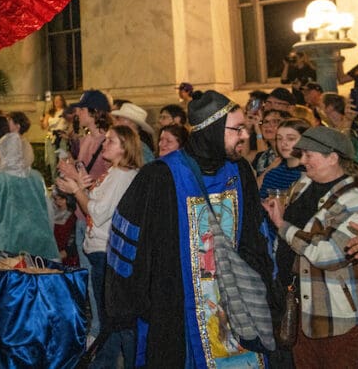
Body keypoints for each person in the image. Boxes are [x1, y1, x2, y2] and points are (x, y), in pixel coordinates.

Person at [105, 90, 271, 367]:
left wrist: (264, 287)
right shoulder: (159, 176)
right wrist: (130, 305)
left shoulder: (240, 171)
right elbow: (127, 241)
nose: (245, 135)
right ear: (211, 130)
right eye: (237, 128)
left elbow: (255, 235)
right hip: (175, 307)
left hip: (236, 303)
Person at [263, 126, 358, 366]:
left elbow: (328, 254)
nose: (303, 160)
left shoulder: (356, 199)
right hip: (302, 311)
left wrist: (282, 225)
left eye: (309, 154)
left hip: (339, 318)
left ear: (333, 158)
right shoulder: (303, 184)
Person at [57, 124, 143, 366]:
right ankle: (104, 363)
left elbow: (97, 212)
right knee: (110, 319)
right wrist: (80, 184)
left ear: (124, 148)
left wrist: (76, 190)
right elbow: (98, 201)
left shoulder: (122, 175)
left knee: (114, 319)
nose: (104, 144)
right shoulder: (114, 173)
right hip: (103, 250)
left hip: (107, 251)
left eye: (111, 141)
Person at [0, 126, 58, 258]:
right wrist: (48, 235)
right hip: (39, 243)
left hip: (7, 245)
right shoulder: (37, 177)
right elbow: (49, 211)